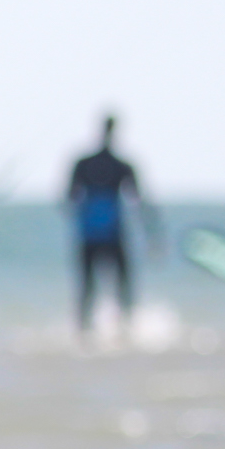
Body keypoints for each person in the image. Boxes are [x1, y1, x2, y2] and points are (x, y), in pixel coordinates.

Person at [66, 113, 157, 333]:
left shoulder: (83, 164)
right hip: (112, 234)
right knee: (120, 286)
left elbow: (69, 199)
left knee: (88, 287)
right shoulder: (121, 166)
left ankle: (85, 333)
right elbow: (139, 202)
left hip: (90, 234)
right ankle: (124, 331)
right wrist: (153, 234)